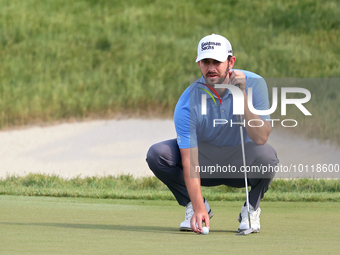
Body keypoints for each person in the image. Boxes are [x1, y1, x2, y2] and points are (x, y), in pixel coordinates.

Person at [146, 33, 279, 234]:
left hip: (240, 160)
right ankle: (196, 207)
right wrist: (198, 206)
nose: (211, 68)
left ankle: (250, 209)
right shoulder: (188, 101)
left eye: (217, 61)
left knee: (268, 157)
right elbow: (190, 161)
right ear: (198, 63)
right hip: (204, 160)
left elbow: (261, 137)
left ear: (230, 61)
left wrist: (241, 96)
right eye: (205, 62)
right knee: (158, 154)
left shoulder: (255, 83)